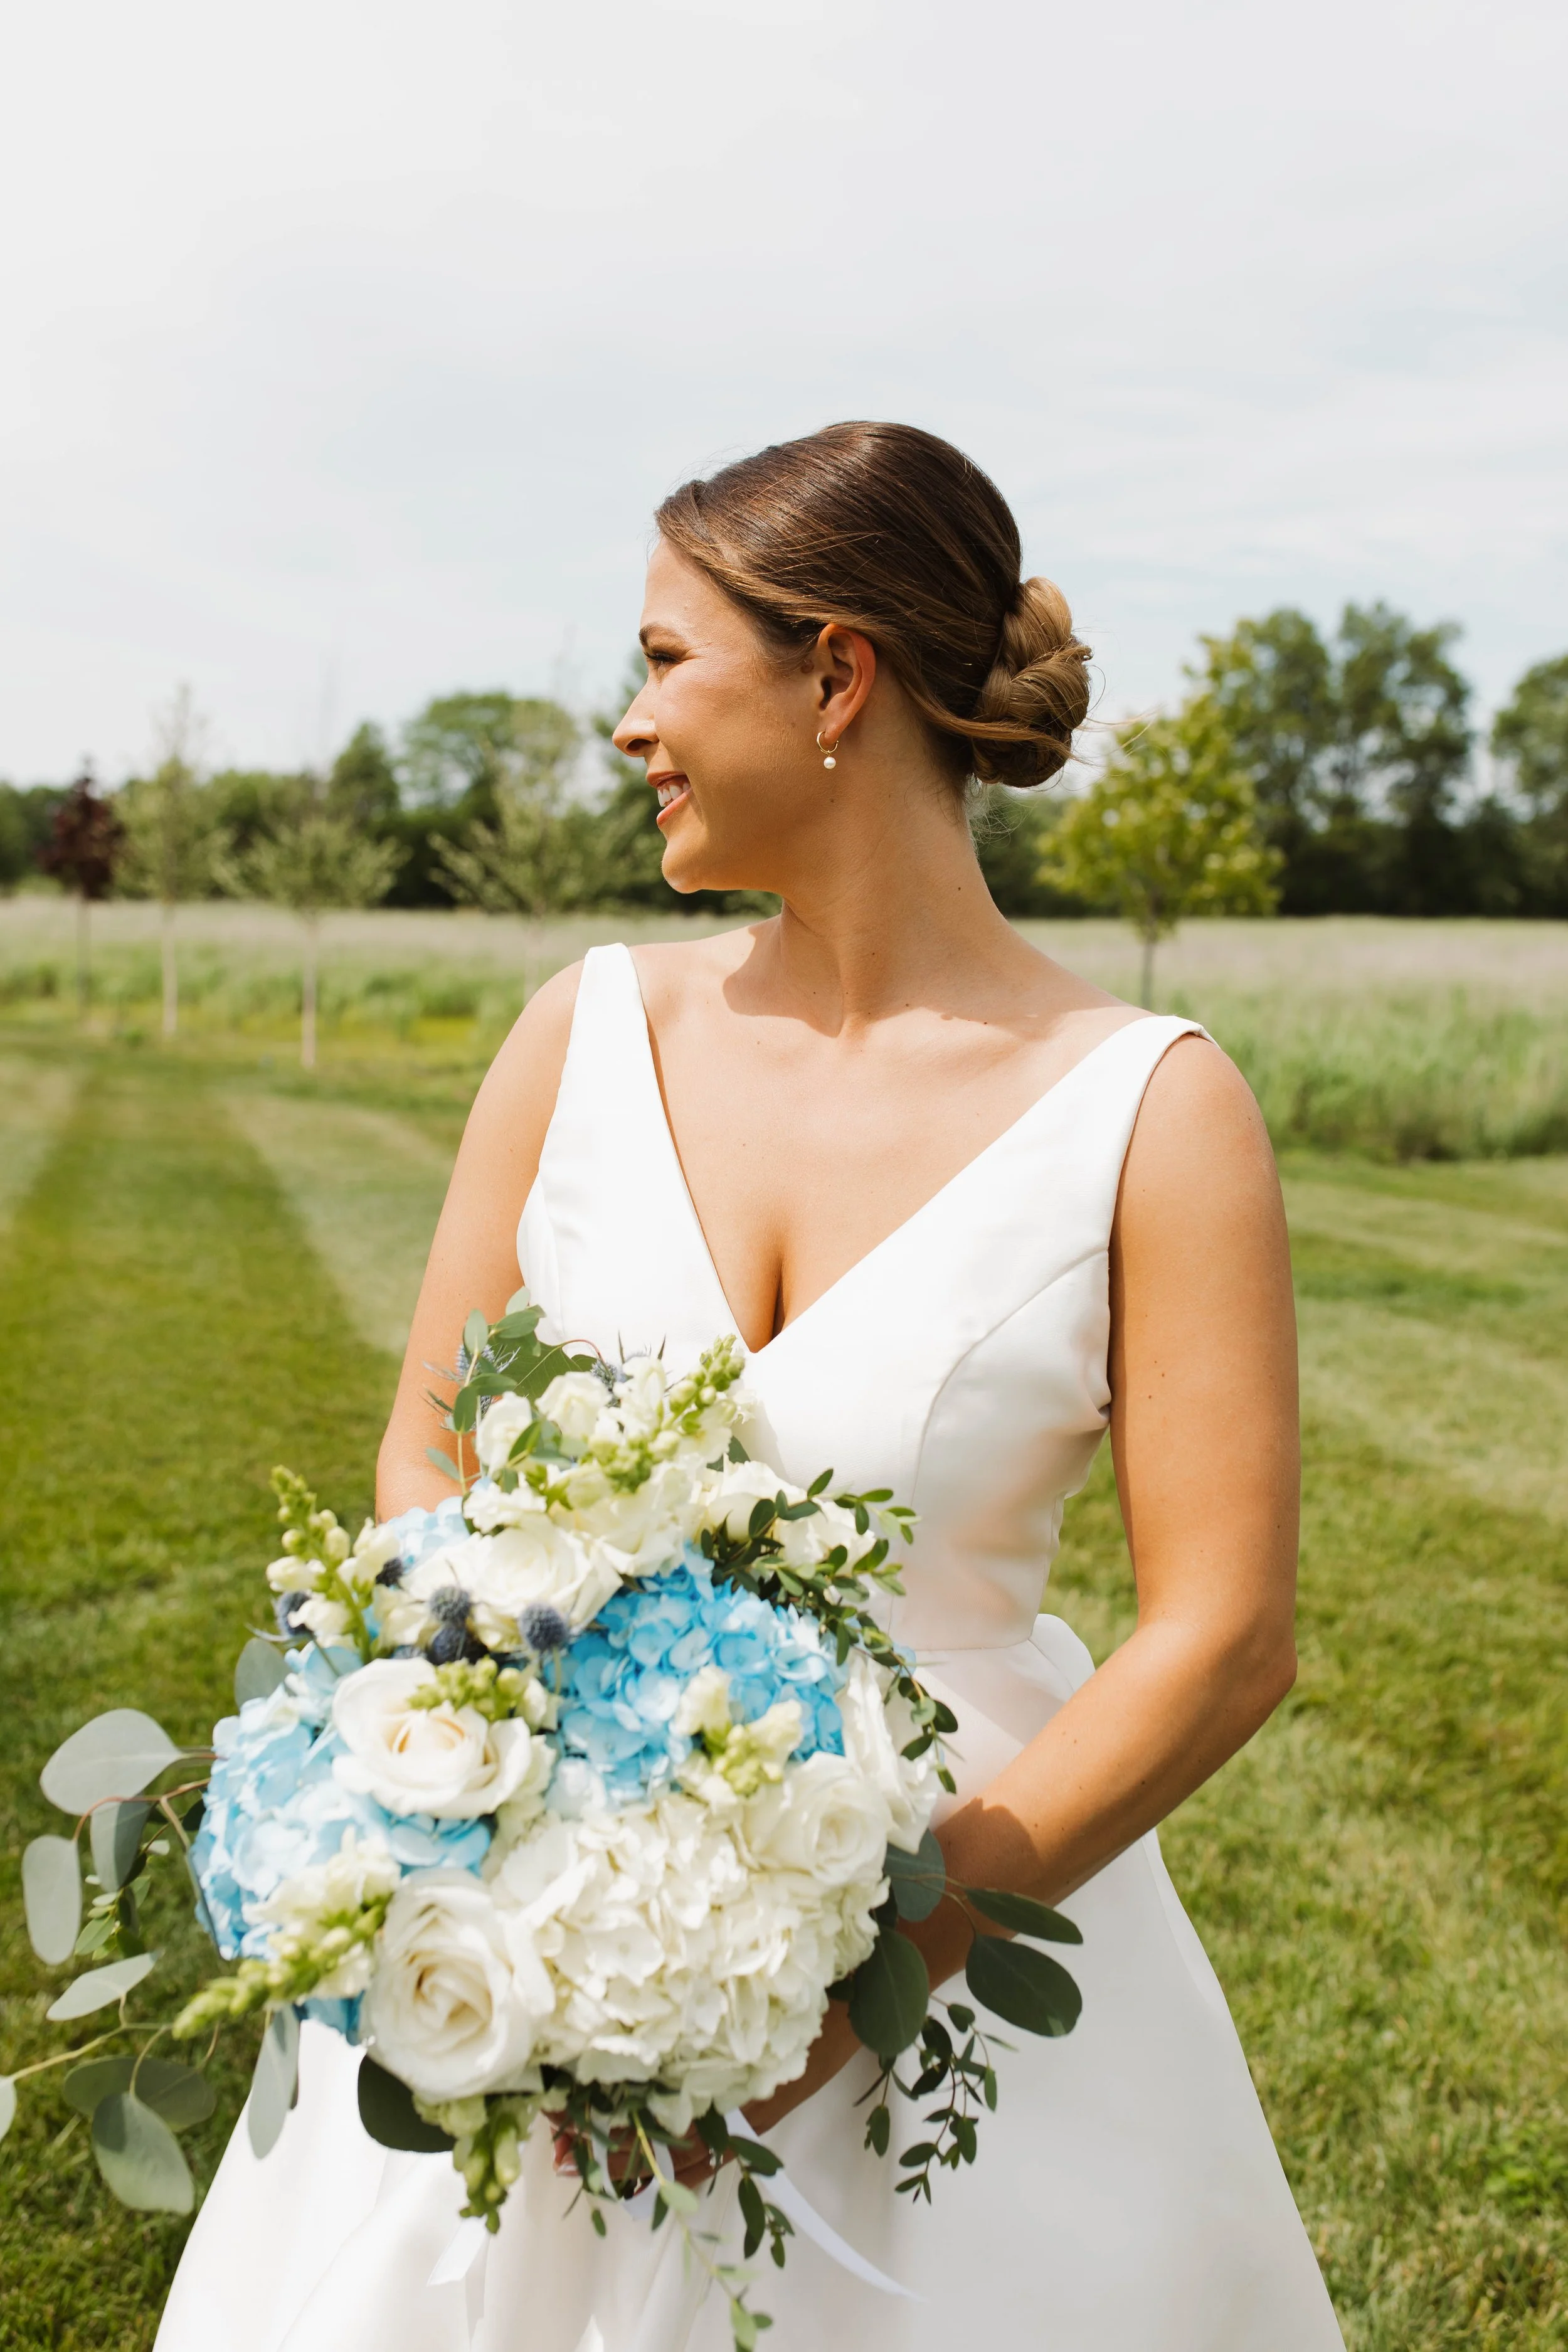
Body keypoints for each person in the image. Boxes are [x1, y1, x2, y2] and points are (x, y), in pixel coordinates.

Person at [156, 421, 1344, 2351]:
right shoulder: (582, 1029)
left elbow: (1220, 1634)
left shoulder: (1153, 1108)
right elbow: (427, 1448)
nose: (626, 723)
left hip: (949, 1948)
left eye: (660, 658)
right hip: (532, 1942)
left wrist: (862, 1971)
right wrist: (479, 1793)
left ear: (837, 677)